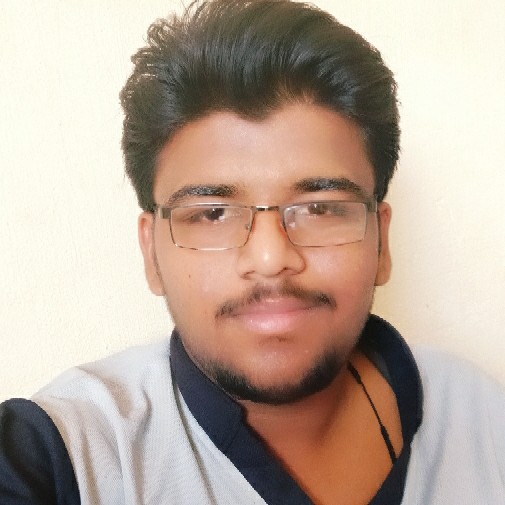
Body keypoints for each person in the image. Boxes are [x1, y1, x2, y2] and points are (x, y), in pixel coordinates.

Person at [1, 0, 504, 504]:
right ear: (151, 253)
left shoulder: (483, 418)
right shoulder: (58, 454)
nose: (270, 258)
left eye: (320, 208)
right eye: (212, 213)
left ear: (382, 241)